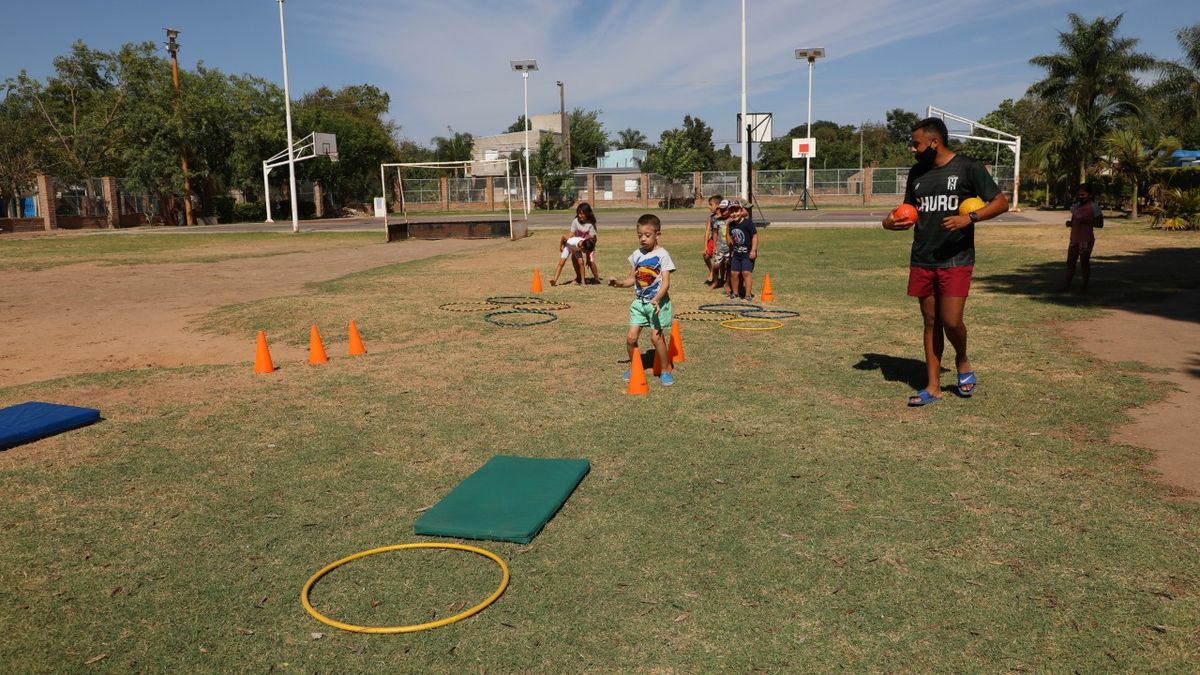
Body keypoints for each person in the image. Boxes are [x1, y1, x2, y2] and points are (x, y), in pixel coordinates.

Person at [882, 117, 1010, 407]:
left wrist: (970, 218)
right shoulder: (917, 174)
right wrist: (889, 223)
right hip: (923, 257)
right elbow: (906, 212)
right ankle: (933, 386)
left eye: (916, 144)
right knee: (930, 322)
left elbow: (1000, 202)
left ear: (934, 142)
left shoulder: (968, 168)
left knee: (951, 320)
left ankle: (962, 360)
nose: (913, 149)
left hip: (956, 258)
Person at [608, 214, 676, 386]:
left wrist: (656, 299)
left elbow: (666, 282)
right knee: (631, 339)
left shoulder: (662, 255)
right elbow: (632, 279)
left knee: (656, 338)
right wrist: (619, 283)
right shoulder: (637, 254)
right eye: (640, 235)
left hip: (657, 304)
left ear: (657, 235)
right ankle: (635, 365)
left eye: (647, 235)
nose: (643, 239)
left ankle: (665, 369)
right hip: (639, 303)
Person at [1062, 183, 1103, 293]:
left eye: (1083, 194)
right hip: (1074, 239)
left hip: (1086, 239)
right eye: (1079, 194)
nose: (1080, 197)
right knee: (1070, 262)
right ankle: (1066, 286)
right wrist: (1070, 223)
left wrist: (1088, 222)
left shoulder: (1094, 207)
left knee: (1084, 262)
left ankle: (1084, 286)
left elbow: (1100, 224)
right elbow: (1073, 220)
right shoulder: (1075, 206)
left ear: (1089, 195)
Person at [726, 200, 758, 300]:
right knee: (734, 274)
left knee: (746, 273)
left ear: (741, 211)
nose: (734, 213)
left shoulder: (748, 223)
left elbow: (755, 236)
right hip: (736, 254)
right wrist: (730, 253)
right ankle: (735, 293)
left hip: (747, 254)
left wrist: (753, 250)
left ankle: (748, 295)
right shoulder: (731, 225)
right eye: (731, 211)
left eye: (736, 211)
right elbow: (730, 241)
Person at [560, 202, 599, 283]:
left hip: (588, 245)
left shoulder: (590, 224)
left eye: (582, 213)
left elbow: (593, 240)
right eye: (578, 213)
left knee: (591, 261)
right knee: (574, 258)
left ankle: (596, 278)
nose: (580, 215)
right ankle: (578, 277)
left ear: (587, 213)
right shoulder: (575, 221)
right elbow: (571, 234)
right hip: (578, 244)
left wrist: (588, 256)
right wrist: (566, 242)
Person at [710, 199, 732, 291]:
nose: (722, 212)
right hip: (719, 247)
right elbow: (715, 233)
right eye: (721, 210)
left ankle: (727, 283)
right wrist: (714, 245)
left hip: (729, 249)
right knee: (715, 266)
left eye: (724, 210)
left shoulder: (732, 220)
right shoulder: (716, 220)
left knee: (729, 267)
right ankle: (715, 281)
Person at [703, 195, 722, 284]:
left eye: (711, 204)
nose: (709, 207)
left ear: (718, 205)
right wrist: (705, 246)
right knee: (706, 255)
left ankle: (720, 279)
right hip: (712, 241)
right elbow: (707, 231)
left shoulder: (725, 216)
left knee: (720, 262)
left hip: (722, 241)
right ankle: (711, 270)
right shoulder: (711, 218)